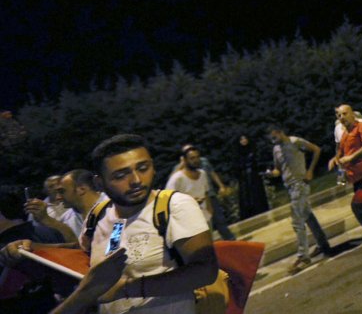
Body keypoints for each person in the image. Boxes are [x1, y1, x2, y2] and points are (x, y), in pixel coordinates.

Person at [10, 134, 219, 313]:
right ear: (100, 183)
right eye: (121, 175)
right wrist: (35, 250)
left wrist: (126, 288)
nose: (136, 179)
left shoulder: (174, 206)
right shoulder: (99, 214)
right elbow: (84, 252)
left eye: (143, 167)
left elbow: (204, 270)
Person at [267, 125, 332, 272]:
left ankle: (304, 256)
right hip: (290, 187)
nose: (273, 141)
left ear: (280, 132)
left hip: (300, 184)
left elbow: (316, 149)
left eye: (274, 137)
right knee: (307, 215)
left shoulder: (295, 141)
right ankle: (323, 244)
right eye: (271, 139)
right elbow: (278, 168)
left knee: (297, 221)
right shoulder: (276, 149)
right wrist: (273, 173)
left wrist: (310, 171)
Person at [327, 105, 362, 186]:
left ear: (352, 114)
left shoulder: (361, 126)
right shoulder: (344, 134)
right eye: (339, 116)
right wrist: (334, 159)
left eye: (345, 114)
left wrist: (351, 157)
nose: (342, 117)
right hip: (355, 178)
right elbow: (341, 152)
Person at [166, 146, 213, 225]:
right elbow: (167, 198)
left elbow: (206, 193)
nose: (196, 160)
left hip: (205, 218)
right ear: (185, 160)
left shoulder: (202, 174)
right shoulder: (177, 178)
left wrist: (210, 211)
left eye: (197, 157)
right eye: (192, 158)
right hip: (187, 221)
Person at [235, 135, 270, 220]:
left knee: (257, 195)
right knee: (246, 197)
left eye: (245, 138)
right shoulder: (238, 153)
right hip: (244, 179)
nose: (243, 141)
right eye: (241, 139)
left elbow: (258, 162)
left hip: (254, 177)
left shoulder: (253, 150)